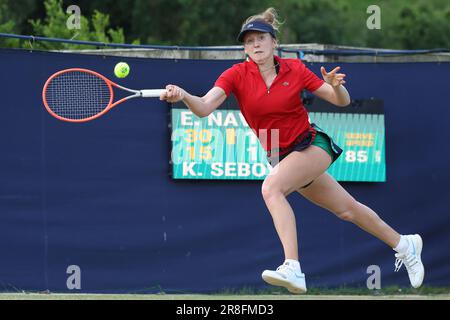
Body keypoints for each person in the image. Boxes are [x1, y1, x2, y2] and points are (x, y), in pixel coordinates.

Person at [160, 8, 424, 294]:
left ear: (274, 42)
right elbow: (203, 108)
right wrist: (184, 96)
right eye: (249, 41)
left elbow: (341, 101)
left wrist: (337, 87)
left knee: (271, 188)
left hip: (312, 145)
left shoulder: (295, 69)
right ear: (245, 48)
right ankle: (404, 244)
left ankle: (293, 267)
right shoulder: (235, 75)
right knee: (347, 210)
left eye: (261, 38)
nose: (255, 45)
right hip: (281, 155)